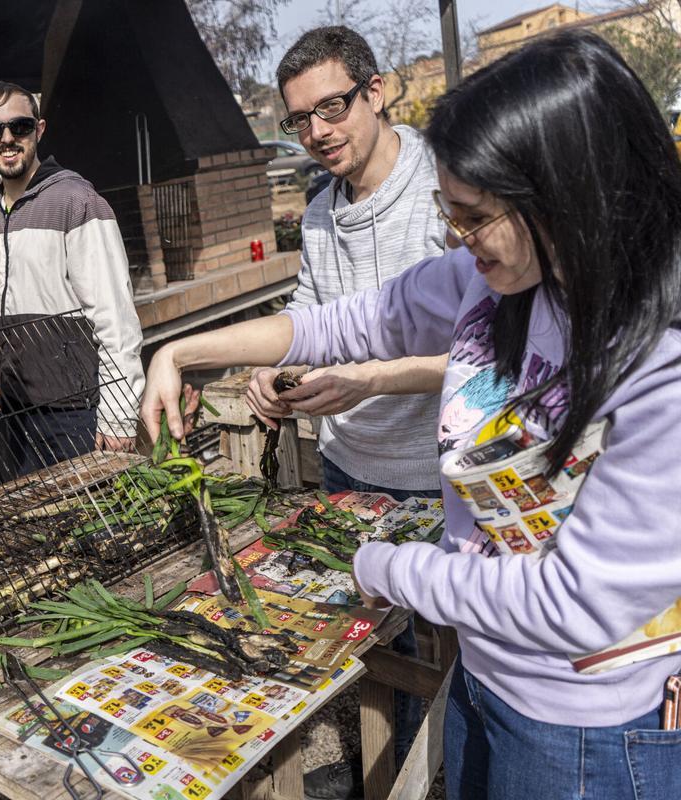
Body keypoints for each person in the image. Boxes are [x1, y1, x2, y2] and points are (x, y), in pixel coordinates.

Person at [142, 31, 681, 800]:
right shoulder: (492, 279)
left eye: (474, 216)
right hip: (487, 669)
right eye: (448, 213)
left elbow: (574, 604)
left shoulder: (659, 362)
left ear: (566, 194)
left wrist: (388, 566)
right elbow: (343, 322)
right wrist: (185, 352)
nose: (459, 239)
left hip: (589, 728)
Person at [275, 26, 447, 794]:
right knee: (368, 637)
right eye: (300, 120)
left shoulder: (448, 189)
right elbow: (310, 318)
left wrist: (374, 379)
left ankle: (419, 774)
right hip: (347, 465)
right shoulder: (318, 213)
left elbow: (488, 353)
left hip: (435, 473)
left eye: (332, 107)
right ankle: (379, 767)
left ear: (377, 93)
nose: (318, 132)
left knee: (439, 660)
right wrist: (275, 373)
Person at [0, 81, 145, 479]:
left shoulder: (77, 201)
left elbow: (115, 316)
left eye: (20, 127)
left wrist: (118, 417)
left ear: (39, 130)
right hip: (10, 419)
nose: (7, 139)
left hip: (75, 414)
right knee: (35, 532)